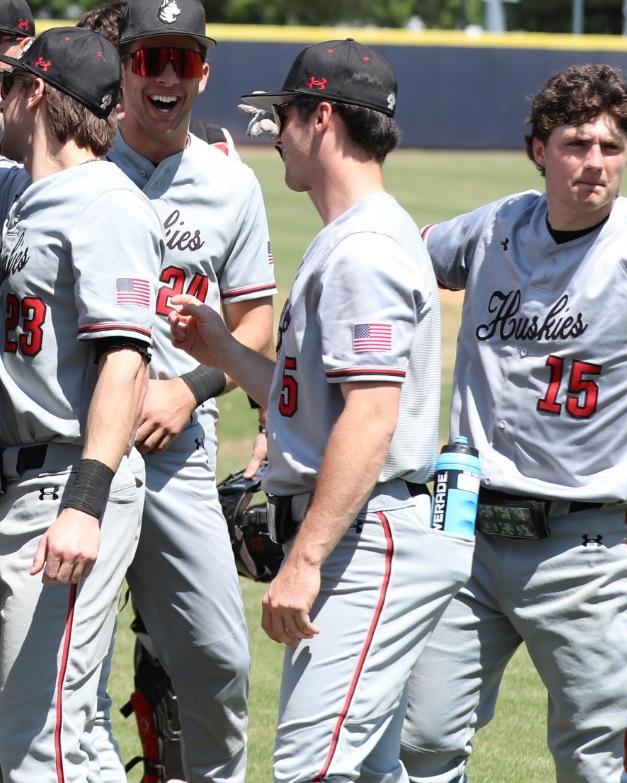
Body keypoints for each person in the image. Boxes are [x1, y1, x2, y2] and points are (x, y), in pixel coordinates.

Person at [170, 40, 471, 783]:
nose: (277, 137)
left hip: (368, 536)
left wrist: (304, 562)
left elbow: (369, 418)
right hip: (367, 525)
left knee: (314, 765)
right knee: (366, 767)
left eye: (287, 118)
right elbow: (313, 398)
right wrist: (222, 349)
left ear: (324, 117)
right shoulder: (360, 234)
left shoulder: (363, 248)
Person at [401, 64, 627, 783]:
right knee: (419, 740)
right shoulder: (497, 226)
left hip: (585, 550)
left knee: (596, 762)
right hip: (463, 534)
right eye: (575, 143)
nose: (594, 161)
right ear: (538, 148)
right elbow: (394, 252)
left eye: (611, 145)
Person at [85, 0, 276, 783]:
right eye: (147, 59)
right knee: (68, 674)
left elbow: (257, 322)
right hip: (76, 454)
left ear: (203, 72)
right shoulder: (82, 167)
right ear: (122, 67)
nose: (165, 77)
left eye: (182, 60)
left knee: (219, 659)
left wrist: (190, 389)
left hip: (175, 453)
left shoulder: (230, 186)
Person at [0, 28, 161, 783]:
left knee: (45, 738)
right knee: (57, 734)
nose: (0, 99)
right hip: (24, 487)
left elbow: (125, 360)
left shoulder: (106, 203)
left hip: (64, 490)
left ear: (35, 94)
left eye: (10, 85)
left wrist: (84, 501)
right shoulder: (36, 193)